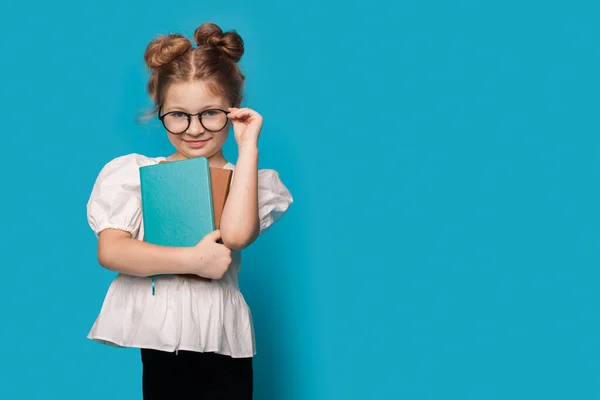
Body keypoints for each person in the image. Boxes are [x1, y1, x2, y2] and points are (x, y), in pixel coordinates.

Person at [85, 22, 293, 399]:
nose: (194, 129)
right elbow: (112, 250)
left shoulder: (248, 179)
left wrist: (248, 150)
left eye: (210, 114)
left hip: (222, 337)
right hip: (165, 338)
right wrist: (193, 260)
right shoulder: (137, 175)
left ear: (233, 111)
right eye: (178, 115)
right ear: (160, 111)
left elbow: (235, 236)